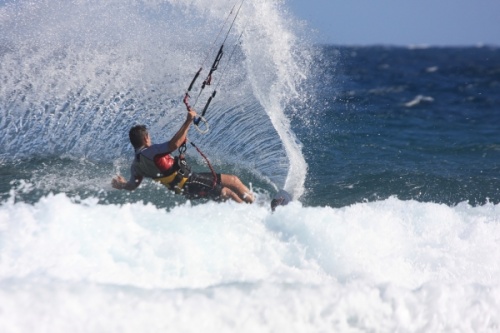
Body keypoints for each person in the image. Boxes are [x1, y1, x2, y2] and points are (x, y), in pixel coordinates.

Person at [111, 109, 254, 203]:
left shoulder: (135, 166)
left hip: (187, 185)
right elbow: (173, 145)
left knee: (233, 180)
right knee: (227, 193)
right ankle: (250, 214)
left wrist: (122, 184)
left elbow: (132, 186)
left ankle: (254, 203)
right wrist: (188, 121)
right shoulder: (151, 151)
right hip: (190, 183)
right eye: (149, 137)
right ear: (145, 138)